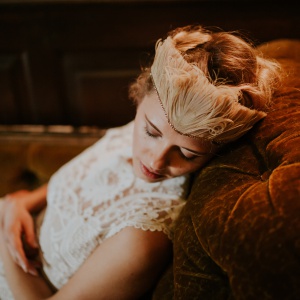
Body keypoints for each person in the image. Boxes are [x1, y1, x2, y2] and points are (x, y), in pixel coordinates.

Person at [0, 24, 281, 300]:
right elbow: (77, 186)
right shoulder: (136, 127)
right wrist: (22, 203)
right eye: (150, 132)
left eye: (187, 154)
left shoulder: (141, 240)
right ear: (138, 97)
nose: (156, 160)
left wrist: (4, 230)